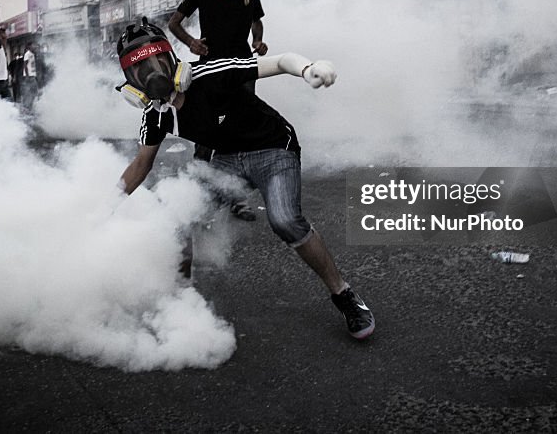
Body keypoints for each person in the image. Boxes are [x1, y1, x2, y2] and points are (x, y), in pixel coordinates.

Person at [115, 19, 374, 340]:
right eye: (140, 68)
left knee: (284, 220)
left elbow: (279, 62)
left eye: (156, 60)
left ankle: (344, 295)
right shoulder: (155, 114)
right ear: (130, 80)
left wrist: (308, 68)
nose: (152, 73)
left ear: (172, 58)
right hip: (226, 160)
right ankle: (180, 304)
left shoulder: (210, 74)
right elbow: (141, 164)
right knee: (178, 217)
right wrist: (101, 204)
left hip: (273, 148)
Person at [168, 0, 268, 221]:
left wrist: (258, 41)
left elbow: (256, 21)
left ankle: (237, 198)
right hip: (210, 67)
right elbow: (174, 23)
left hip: (243, 67)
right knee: (208, 131)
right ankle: (197, 196)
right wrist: (191, 43)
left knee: (241, 130)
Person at [21, 42, 38, 110]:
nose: (34, 46)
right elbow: (25, 65)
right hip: (29, 76)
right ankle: (27, 106)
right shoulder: (27, 54)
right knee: (31, 91)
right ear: (29, 46)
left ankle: (29, 105)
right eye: (33, 45)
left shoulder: (33, 54)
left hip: (32, 75)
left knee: (32, 91)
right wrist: (27, 76)